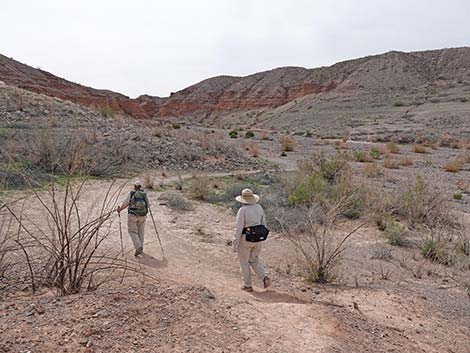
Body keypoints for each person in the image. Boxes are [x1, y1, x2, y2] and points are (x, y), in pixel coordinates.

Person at [233, 188, 272, 292]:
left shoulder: (242, 210)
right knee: (254, 259)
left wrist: (235, 241)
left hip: (246, 239)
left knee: (244, 262)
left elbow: (239, 227)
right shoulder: (259, 208)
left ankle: (247, 285)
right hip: (258, 238)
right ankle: (264, 277)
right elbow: (264, 224)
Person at [117, 180, 150, 256]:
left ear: (134, 186)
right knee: (141, 232)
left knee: (132, 231)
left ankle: (138, 246)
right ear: (140, 187)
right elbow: (148, 205)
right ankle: (141, 247)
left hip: (132, 215)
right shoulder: (144, 194)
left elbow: (126, 203)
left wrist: (120, 209)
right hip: (143, 216)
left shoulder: (131, 193)